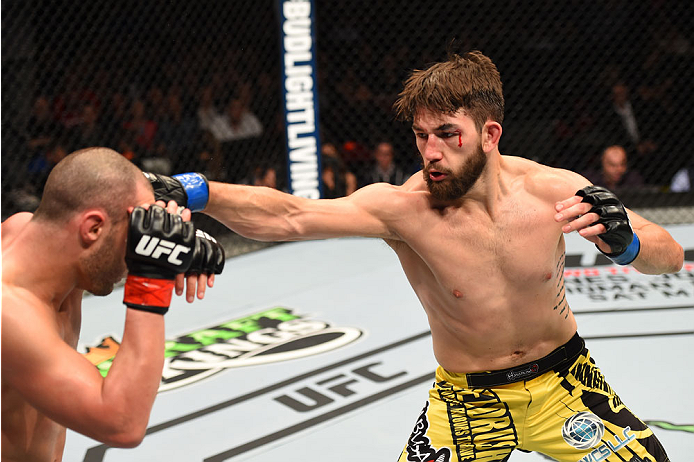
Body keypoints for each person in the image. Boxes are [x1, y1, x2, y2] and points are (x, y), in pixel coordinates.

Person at [150, 51, 682, 461]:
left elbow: (671, 255)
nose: (431, 151)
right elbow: (289, 216)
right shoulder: (404, 208)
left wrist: (630, 245)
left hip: (566, 383)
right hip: (466, 403)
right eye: (422, 135)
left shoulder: (555, 191)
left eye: (448, 134)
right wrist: (195, 191)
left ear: (490, 134)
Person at [1, 147, 224, 461]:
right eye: (133, 235)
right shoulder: (8, 311)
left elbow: (100, 205)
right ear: (93, 228)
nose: (136, 248)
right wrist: (152, 278)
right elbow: (122, 424)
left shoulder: (33, 234)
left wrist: (172, 242)